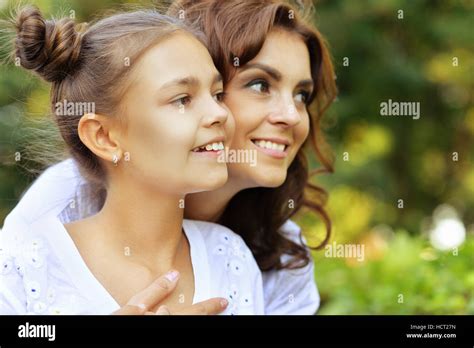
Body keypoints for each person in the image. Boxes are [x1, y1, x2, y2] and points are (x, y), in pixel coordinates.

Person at [0, 6, 264, 315]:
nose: (220, 113)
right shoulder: (22, 265)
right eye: (182, 99)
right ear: (104, 137)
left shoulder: (231, 258)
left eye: (217, 94)